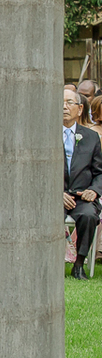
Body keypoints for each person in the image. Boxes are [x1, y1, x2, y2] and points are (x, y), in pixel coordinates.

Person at [65, 88, 102, 279]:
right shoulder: (43, 136)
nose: (64, 107)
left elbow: (99, 172)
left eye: (69, 103)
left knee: (88, 215)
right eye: (60, 103)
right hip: (54, 197)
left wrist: (94, 191)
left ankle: (79, 264)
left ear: (80, 109)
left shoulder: (90, 137)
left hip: (82, 196)